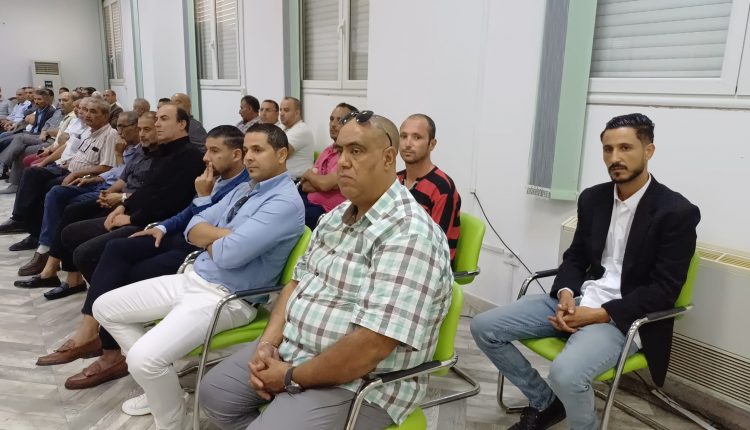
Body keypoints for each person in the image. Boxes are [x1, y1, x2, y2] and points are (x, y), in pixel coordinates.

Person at [197, 112, 453, 430]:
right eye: (340, 150)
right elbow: (296, 283)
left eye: (356, 151)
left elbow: (372, 346)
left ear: (389, 158)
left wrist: (289, 377)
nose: (342, 162)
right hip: (293, 349)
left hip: (362, 381)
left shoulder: (409, 234)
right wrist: (267, 345)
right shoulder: (336, 217)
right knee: (214, 395)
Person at [470, 113, 701, 430]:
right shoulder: (594, 198)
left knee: (566, 374)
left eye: (625, 148)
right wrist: (566, 294)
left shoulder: (675, 212)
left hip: (624, 317)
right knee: (484, 327)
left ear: (649, 151)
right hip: (580, 299)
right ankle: (545, 402)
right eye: (608, 149)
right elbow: (576, 257)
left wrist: (600, 314)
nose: (615, 157)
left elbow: (664, 290)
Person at [93, 123, 305, 429]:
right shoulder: (247, 189)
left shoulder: (283, 203)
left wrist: (215, 237)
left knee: (144, 359)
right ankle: (161, 387)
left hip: (226, 297)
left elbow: (230, 255)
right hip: (194, 277)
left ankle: (172, 421)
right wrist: (224, 236)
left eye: (258, 150)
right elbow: (194, 224)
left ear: (282, 154)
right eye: (247, 150)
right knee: (104, 307)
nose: (248, 157)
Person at [35, 126, 251, 390]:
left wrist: (202, 199)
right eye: (206, 150)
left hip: (198, 251)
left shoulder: (240, 186)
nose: (206, 157)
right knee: (116, 249)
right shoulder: (216, 177)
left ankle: (112, 351)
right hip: (180, 236)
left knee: (127, 273)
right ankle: (95, 335)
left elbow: (208, 224)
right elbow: (187, 212)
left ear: (237, 155)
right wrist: (161, 227)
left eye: (214, 151)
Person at [12, 111, 141, 282]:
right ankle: (37, 239)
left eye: (92, 111)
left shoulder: (121, 141)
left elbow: (121, 175)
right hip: (97, 181)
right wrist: (94, 178)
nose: (85, 114)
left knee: (69, 207)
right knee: (52, 190)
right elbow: (120, 173)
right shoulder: (123, 144)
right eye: (118, 126)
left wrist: (116, 193)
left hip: (113, 191)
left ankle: (51, 262)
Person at [0, 97, 117, 252]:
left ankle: (39, 238)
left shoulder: (110, 135)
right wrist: (52, 162)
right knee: (32, 173)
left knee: (47, 189)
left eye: (93, 111)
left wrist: (76, 172)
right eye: (86, 110)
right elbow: (71, 150)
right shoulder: (89, 131)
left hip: (83, 177)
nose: (87, 114)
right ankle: (21, 219)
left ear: (105, 115)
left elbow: (106, 167)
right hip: (67, 168)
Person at [397, 113, 461, 262]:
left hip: (425, 265)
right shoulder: (394, 181)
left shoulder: (441, 188)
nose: (408, 143)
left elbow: (438, 249)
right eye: (404, 136)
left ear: (432, 144)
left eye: (417, 137)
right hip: (395, 256)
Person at [297, 102, 357, 229]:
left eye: (339, 120)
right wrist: (322, 183)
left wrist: (310, 175)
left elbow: (324, 183)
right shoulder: (328, 150)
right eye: (331, 119)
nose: (333, 124)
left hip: (327, 212)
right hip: (307, 201)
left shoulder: (351, 155)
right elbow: (306, 185)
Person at [278, 97, 314, 179]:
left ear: (297, 113)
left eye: (286, 110)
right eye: (281, 110)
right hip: (284, 179)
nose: (282, 113)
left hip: (296, 181)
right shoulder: (281, 127)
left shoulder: (301, 130)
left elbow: (280, 155)